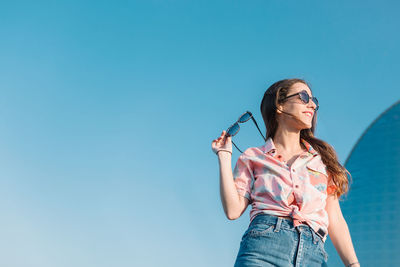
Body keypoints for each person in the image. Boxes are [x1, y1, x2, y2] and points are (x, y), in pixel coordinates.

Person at [211, 78, 360, 267]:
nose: (312, 105)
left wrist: (353, 264)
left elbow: (335, 219)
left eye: (314, 100)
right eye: (304, 97)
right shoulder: (254, 157)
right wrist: (224, 156)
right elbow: (233, 210)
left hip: (313, 256)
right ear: (280, 105)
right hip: (262, 250)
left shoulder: (321, 160)